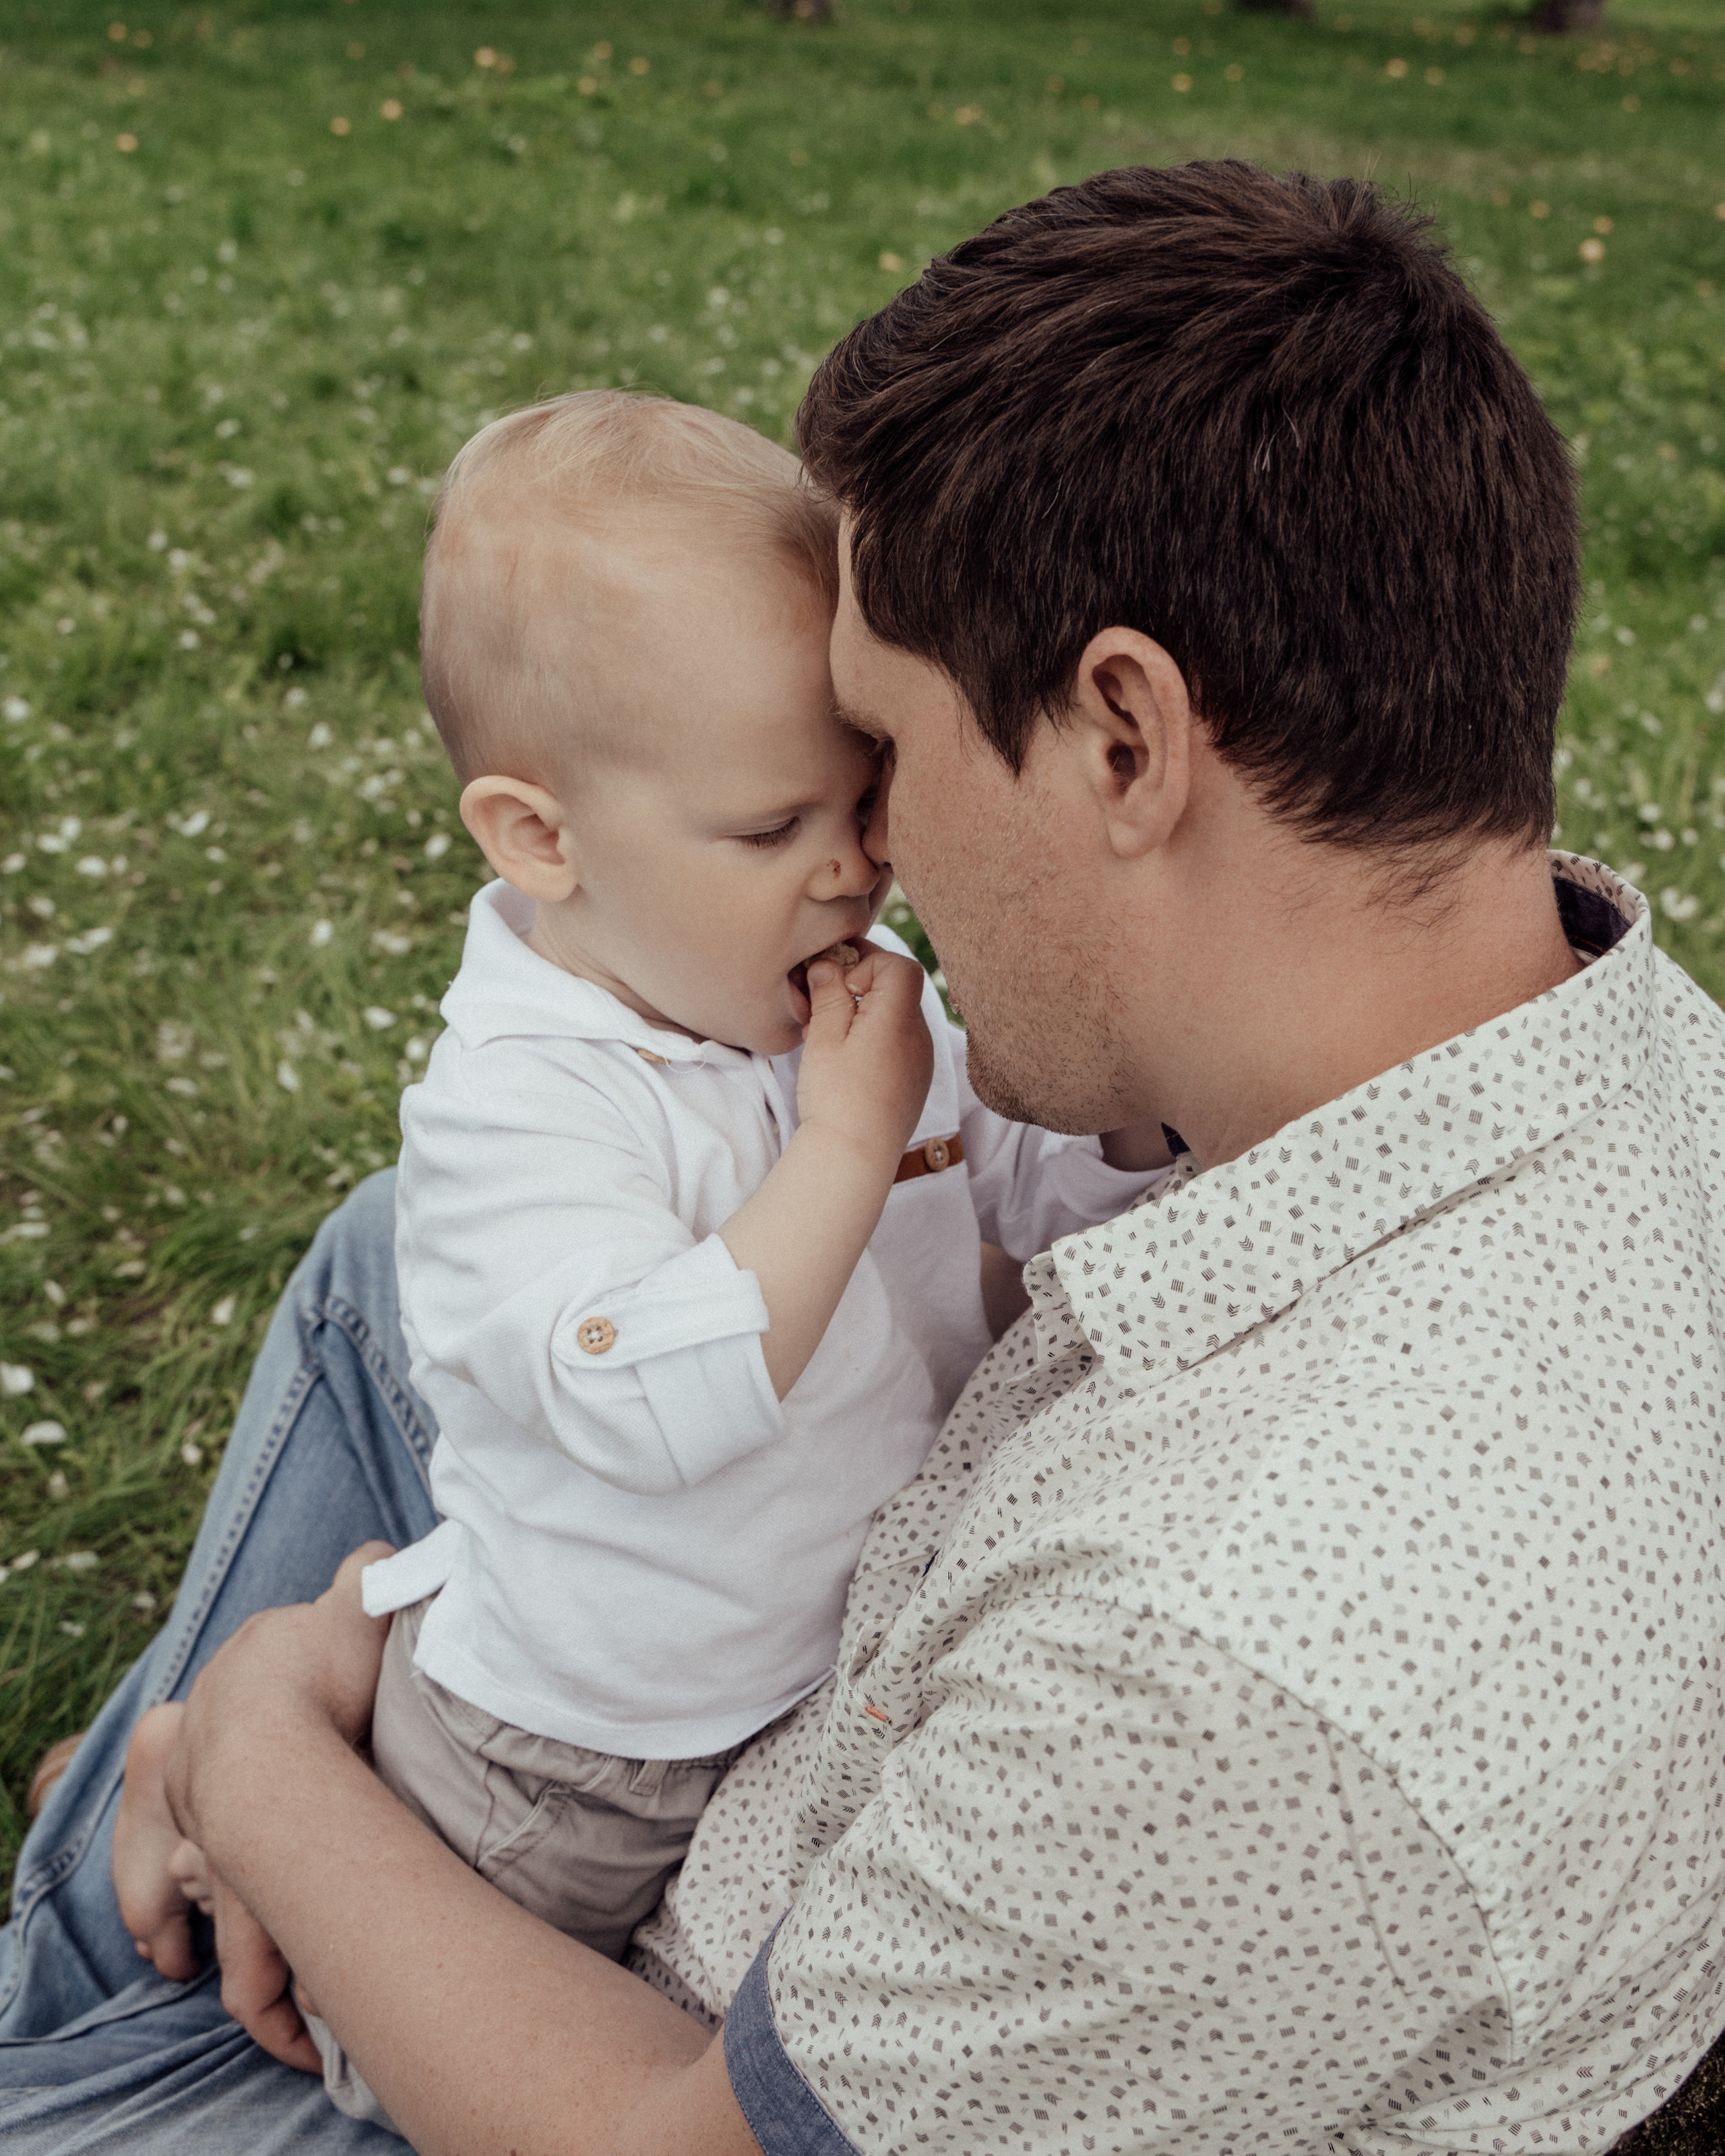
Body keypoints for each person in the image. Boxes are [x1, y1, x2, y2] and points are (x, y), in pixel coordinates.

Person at [7, 158, 1725, 2155]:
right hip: (804, 1671)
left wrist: (267, 1749)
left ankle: (104, 1918)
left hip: (615, 2010)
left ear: (1123, 740)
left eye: (885, 754)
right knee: (402, 1257)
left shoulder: (1244, 1668)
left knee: (94, 2007)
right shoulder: (1607, 1058)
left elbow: (672, 2143)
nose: (870, 858)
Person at [111, 389, 1165, 2126]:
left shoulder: (810, 998)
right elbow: (656, 1405)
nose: (852, 871)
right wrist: (844, 1143)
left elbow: (1030, 1193)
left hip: (785, 1683)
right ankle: (212, 1826)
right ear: (541, 840)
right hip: (571, 1753)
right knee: (372, 2054)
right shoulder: (515, 1110)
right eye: (771, 831)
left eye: (863, 799)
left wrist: (1127, 1122)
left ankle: (200, 1749)